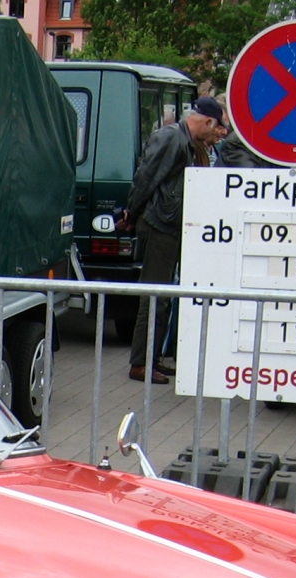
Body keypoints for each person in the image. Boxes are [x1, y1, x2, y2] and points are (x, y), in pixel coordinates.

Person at [118, 95, 222, 383]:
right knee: (154, 296)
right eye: (215, 128)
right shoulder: (172, 138)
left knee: (161, 297)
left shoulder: (187, 141)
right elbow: (146, 178)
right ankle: (140, 364)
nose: (215, 134)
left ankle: (151, 359)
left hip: (167, 225)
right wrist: (131, 213)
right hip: (159, 225)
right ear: (208, 121)